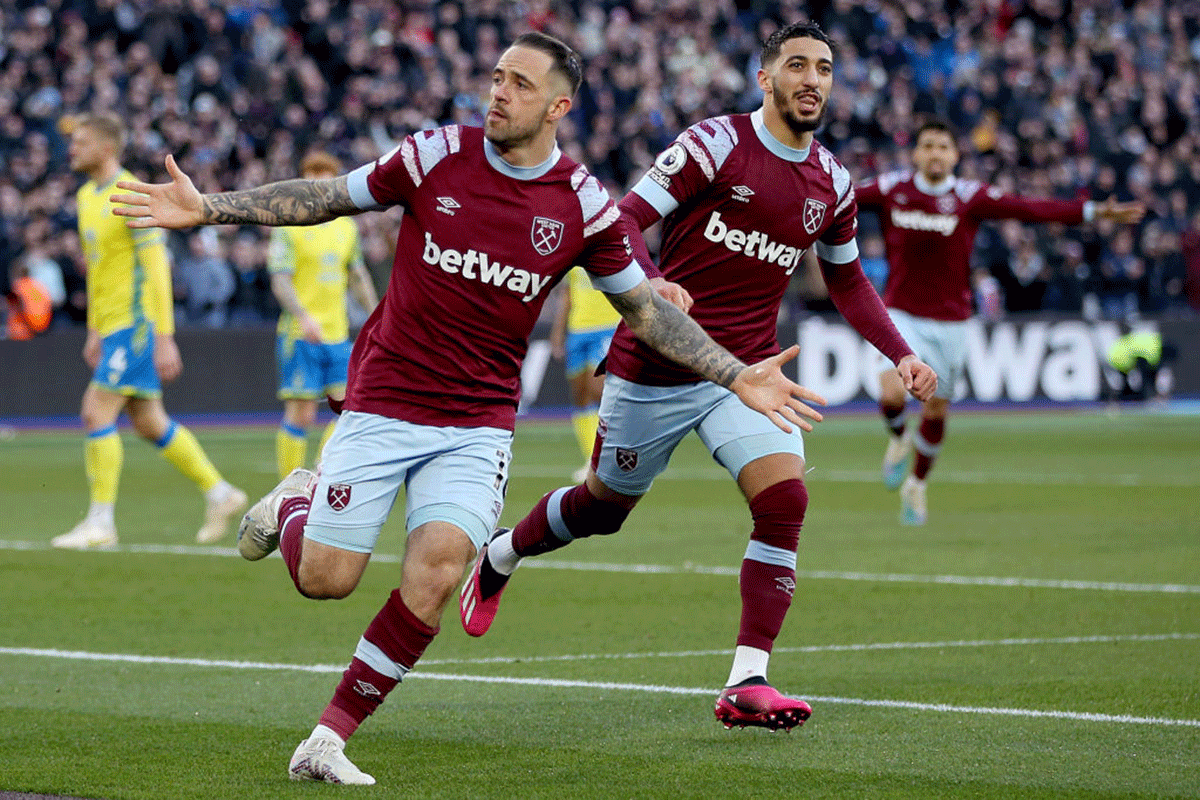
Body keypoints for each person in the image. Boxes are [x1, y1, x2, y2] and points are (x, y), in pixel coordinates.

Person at [111, 32, 822, 786]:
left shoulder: (581, 203)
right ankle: (298, 502)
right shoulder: (434, 156)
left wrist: (736, 373)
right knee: (326, 579)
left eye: (518, 83)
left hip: (478, 422)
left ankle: (326, 740)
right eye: (495, 77)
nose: (498, 93)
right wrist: (211, 208)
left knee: (438, 573)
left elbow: (646, 310)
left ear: (558, 105)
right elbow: (325, 197)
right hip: (387, 398)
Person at [458, 22, 936, 733]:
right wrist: (652, 283)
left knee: (785, 503)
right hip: (659, 362)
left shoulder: (832, 182)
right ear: (764, 78)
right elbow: (621, 219)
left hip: (748, 372)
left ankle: (748, 680)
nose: (812, 79)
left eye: (825, 69)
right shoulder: (714, 144)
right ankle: (502, 553)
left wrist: (899, 351)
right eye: (797, 66)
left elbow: (849, 282)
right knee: (602, 509)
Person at [855, 118, 1145, 525]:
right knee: (890, 393)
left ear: (955, 156)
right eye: (928, 146)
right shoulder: (891, 189)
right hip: (901, 314)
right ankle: (899, 438)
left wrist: (1094, 211)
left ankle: (916, 487)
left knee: (936, 412)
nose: (935, 153)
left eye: (943, 146)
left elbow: (1030, 208)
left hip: (952, 323)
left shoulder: (969, 196)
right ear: (915, 153)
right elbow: (840, 196)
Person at [52, 113, 246, 550]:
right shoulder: (86, 197)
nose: (72, 149)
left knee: (95, 412)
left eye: (80, 141)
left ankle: (101, 524)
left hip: (137, 324)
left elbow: (157, 266)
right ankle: (221, 493)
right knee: (147, 420)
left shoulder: (130, 193)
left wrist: (163, 335)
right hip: (112, 326)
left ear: (106, 148)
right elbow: (98, 274)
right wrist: (93, 330)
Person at [268, 151, 380, 479]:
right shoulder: (288, 225)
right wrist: (302, 316)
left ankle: (319, 475)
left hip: (336, 333)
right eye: (313, 173)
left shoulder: (346, 228)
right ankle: (287, 488)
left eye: (326, 173)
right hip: (300, 333)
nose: (319, 179)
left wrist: (377, 314)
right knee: (300, 414)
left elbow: (357, 276)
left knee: (349, 411)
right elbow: (280, 279)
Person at [549, 265, 620, 482]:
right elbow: (567, 295)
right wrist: (558, 331)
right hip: (578, 329)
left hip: (606, 326)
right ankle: (591, 459)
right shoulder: (574, 259)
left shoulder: (607, 248)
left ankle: (613, 457)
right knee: (581, 396)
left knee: (598, 390)